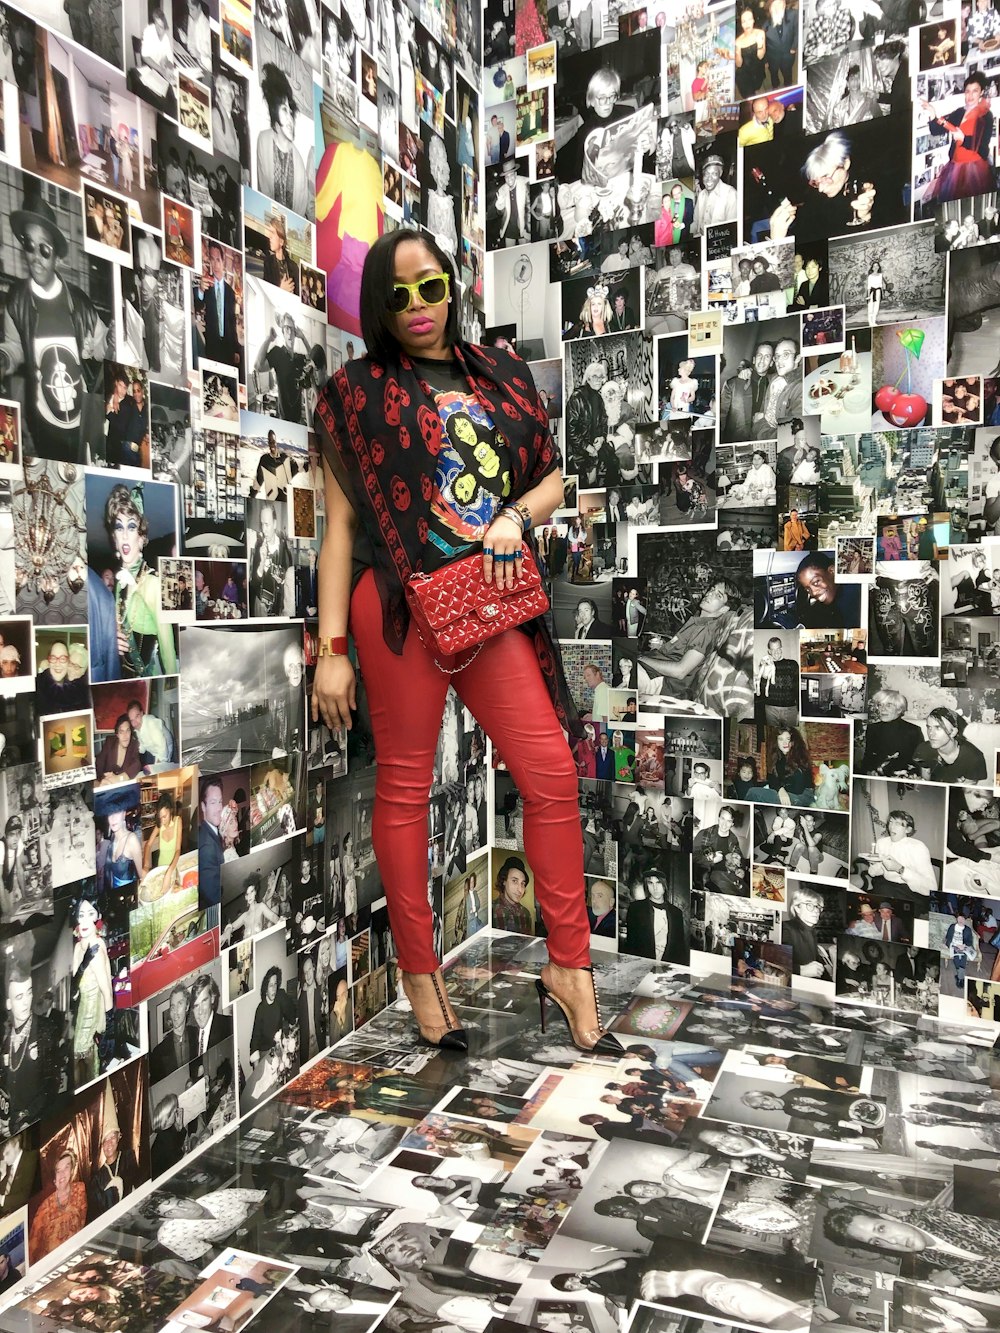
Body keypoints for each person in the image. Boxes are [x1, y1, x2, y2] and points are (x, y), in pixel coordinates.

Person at [313, 228, 621, 1057]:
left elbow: (551, 476)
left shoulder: (503, 375)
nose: (417, 306)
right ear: (380, 307)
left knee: (552, 772)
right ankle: (421, 976)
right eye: (398, 295)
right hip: (397, 610)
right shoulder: (355, 393)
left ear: (454, 285)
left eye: (431, 286)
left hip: (487, 599)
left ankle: (570, 969)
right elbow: (339, 528)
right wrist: (331, 646)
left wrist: (515, 518)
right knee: (406, 788)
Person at [0, 193, 111, 463]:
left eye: (44, 249)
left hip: (80, 425)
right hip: (43, 428)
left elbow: (103, 348)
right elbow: (14, 348)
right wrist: (4, 358)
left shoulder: (80, 303)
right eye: (29, 245)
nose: (35, 256)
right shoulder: (17, 301)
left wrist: (100, 348)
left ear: (57, 258)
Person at [822, 1203, 1000, 1292]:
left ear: (890, 1218)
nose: (891, 1242)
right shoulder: (924, 1252)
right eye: (876, 1242)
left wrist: (958, 1275)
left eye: (881, 1229)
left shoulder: (944, 1215)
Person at [106, 484, 177, 677]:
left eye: (132, 527)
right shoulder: (119, 582)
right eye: (119, 528)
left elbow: (168, 651)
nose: (125, 535)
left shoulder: (154, 584)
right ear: (114, 537)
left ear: (141, 538)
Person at [639, 579, 743, 701]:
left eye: (718, 595)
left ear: (724, 609)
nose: (709, 594)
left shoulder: (706, 630)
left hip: (660, 681)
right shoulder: (698, 620)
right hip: (652, 669)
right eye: (712, 589)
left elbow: (680, 671)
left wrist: (640, 657)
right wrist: (661, 647)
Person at [920, 75, 996, 207]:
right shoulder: (960, 112)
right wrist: (932, 112)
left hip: (974, 168)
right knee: (953, 204)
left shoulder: (986, 115)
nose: (970, 95)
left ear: (981, 92)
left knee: (972, 205)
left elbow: (983, 146)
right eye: (967, 91)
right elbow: (936, 130)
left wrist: (963, 139)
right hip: (955, 164)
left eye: (975, 91)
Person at [256, 62, 311, 217]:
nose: (290, 119)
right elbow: (263, 190)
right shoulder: (263, 140)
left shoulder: (299, 161)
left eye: (290, 111)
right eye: (284, 110)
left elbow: (300, 211)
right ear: (274, 112)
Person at [28, 1151, 87, 1261]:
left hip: (75, 1254)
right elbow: (32, 1248)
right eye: (58, 1171)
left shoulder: (80, 1190)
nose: (62, 1174)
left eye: (66, 1168)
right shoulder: (44, 1208)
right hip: (51, 1262)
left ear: (72, 1170)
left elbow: (83, 1221)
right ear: (54, 1178)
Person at [254, 313, 309, 424]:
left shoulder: (299, 358)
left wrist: (303, 338)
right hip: (283, 419)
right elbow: (258, 366)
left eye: (292, 329)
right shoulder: (278, 353)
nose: (289, 332)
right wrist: (268, 339)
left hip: (298, 419)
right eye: (286, 328)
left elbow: (314, 361)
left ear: (295, 333)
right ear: (283, 332)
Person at [914, 705, 988, 784]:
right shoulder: (924, 749)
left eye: (938, 728)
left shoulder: (973, 757)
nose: (931, 733)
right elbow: (925, 786)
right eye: (929, 727)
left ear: (953, 732)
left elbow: (968, 792)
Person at [625, 868, 686, 961]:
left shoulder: (676, 913)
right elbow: (631, 944)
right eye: (650, 883)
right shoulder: (636, 909)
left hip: (667, 968)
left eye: (658, 882)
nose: (655, 888)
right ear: (646, 885)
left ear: (665, 884)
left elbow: (679, 948)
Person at [745, 727, 814, 806]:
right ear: (776, 742)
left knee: (754, 793)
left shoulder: (799, 756)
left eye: (788, 739)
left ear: (793, 741)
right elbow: (771, 778)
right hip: (790, 792)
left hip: (803, 796)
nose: (785, 743)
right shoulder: (778, 758)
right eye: (780, 739)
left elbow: (797, 789)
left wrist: (781, 789)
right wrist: (780, 789)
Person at [197, 241, 240, 366]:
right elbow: (198, 304)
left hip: (228, 346)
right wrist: (200, 290)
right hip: (212, 343)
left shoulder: (230, 292)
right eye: (212, 260)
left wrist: (236, 349)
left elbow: (232, 322)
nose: (215, 264)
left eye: (218, 260)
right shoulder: (206, 284)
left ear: (223, 262)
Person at [721, 344, 773, 443]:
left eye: (767, 356)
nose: (762, 360)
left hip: (760, 438)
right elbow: (721, 416)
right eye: (759, 355)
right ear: (754, 360)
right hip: (735, 440)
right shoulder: (733, 384)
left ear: (771, 362)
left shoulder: (774, 385)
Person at [150, 983, 199, 1082]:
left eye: (180, 1004)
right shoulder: (158, 1053)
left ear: (187, 1006)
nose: (175, 1012)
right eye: (172, 1007)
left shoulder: (198, 1034)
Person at [782, 882, 831, 979]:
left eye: (818, 906)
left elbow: (814, 959)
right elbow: (774, 962)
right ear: (797, 908)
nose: (816, 910)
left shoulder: (812, 931)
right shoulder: (786, 928)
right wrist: (800, 970)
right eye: (809, 905)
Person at [35, 640, 91, 716]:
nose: (71, 669)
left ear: (84, 671)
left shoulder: (82, 688)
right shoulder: (40, 685)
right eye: (70, 663)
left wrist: (46, 672)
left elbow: (60, 696)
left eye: (77, 667)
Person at [691, 155, 739, 237]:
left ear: (720, 174)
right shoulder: (702, 195)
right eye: (706, 174)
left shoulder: (731, 194)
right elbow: (695, 222)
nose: (709, 178)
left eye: (714, 174)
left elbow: (731, 230)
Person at [95, 714, 142, 783]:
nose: (125, 736)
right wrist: (103, 779)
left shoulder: (134, 744)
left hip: (123, 785)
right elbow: (99, 764)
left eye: (127, 731)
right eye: (121, 732)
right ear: (117, 734)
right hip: (106, 783)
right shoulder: (109, 742)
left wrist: (118, 778)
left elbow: (137, 765)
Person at [262, 214, 299, 296]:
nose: (269, 237)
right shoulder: (268, 262)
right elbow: (265, 293)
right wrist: (280, 290)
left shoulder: (294, 267)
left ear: (281, 241)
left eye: (272, 233)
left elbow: (298, 295)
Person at [764, 0, 796, 88]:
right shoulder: (765, 26)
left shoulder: (793, 16)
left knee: (788, 74)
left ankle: (788, 85)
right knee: (773, 74)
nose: (778, 7)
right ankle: (775, 85)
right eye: (775, 5)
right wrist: (766, 60)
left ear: (785, 4)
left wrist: (794, 47)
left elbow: (797, 32)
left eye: (780, 3)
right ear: (770, 9)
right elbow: (764, 46)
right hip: (773, 58)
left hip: (788, 55)